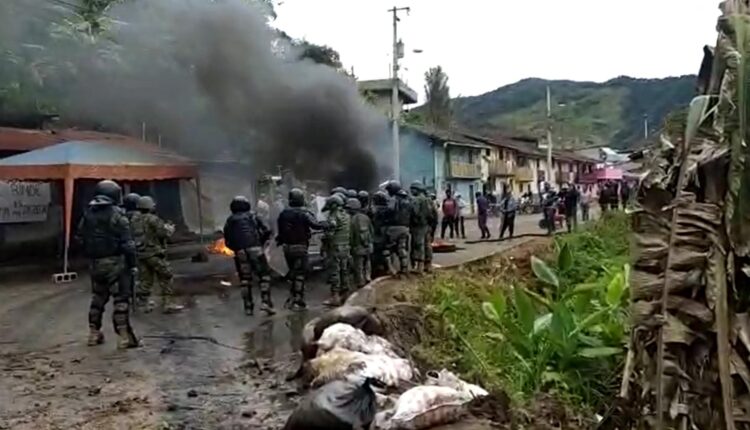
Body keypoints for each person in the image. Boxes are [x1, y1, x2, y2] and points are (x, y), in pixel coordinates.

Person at [77, 180, 139, 349]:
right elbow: (128, 243)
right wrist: (133, 264)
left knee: (98, 298)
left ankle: (94, 334)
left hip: (95, 263)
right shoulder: (118, 215)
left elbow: (80, 238)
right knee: (121, 299)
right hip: (116, 263)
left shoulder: (88, 214)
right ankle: (124, 337)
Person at [276, 188, 327, 310]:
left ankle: (292, 297)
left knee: (292, 272)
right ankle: (298, 301)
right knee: (300, 274)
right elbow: (315, 225)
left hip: (287, 248)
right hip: (300, 247)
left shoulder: (283, 214)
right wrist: (327, 224)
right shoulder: (304, 213)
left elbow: (280, 231)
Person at [131, 196, 182, 314]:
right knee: (166, 276)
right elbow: (163, 234)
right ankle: (168, 304)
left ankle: (142, 304)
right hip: (154, 253)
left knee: (145, 280)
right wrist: (170, 229)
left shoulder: (134, 219)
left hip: (140, 253)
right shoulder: (153, 219)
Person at [224, 196, 273, 316]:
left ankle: (248, 307)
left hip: (240, 252)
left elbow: (227, 238)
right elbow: (267, 230)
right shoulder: (254, 216)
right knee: (264, 276)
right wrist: (260, 242)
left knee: (245, 280)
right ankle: (266, 303)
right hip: (256, 249)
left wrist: (235, 249)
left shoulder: (230, 220)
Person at [322, 194, 351, 306]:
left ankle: (335, 297)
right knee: (344, 271)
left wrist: (325, 236)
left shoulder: (333, 215)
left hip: (336, 247)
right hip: (345, 247)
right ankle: (346, 294)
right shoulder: (346, 215)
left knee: (335, 272)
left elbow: (331, 231)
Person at [385, 180, 412, 277]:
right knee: (402, 248)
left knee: (387, 249)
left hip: (393, 228)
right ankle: (404, 269)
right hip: (405, 227)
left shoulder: (394, 199)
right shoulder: (408, 200)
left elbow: (389, 210)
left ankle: (391, 269)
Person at [346, 198, 374, 288]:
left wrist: (350, 246)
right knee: (368, 262)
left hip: (358, 247)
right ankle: (368, 276)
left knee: (359, 265)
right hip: (368, 245)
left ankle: (360, 282)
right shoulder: (366, 217)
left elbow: (351, 235)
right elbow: (371, 231)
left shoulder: (352, 220)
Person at [409, 181, 431, 273]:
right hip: (426, 225)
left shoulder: (416, 200)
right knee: (427, 245)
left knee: (418, 245)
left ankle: (419, 267)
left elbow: (414, 212)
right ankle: (428, 265)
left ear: (416, 190)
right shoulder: (427, 199)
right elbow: (431, 213)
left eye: (412, 189)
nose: (411, 191)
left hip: (418, 226)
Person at [371, 190, 392, 276]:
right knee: (386, 252)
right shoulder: (389, 210)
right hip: (385, 233)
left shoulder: (373, 210)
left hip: (376, 234)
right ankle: (387, 268)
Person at [426, 193, 438, 272]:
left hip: (429, 225)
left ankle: (428, 263)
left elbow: (434, 215)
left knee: (427, 243)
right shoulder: (430, 204)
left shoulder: (432, 204)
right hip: (430, 225)